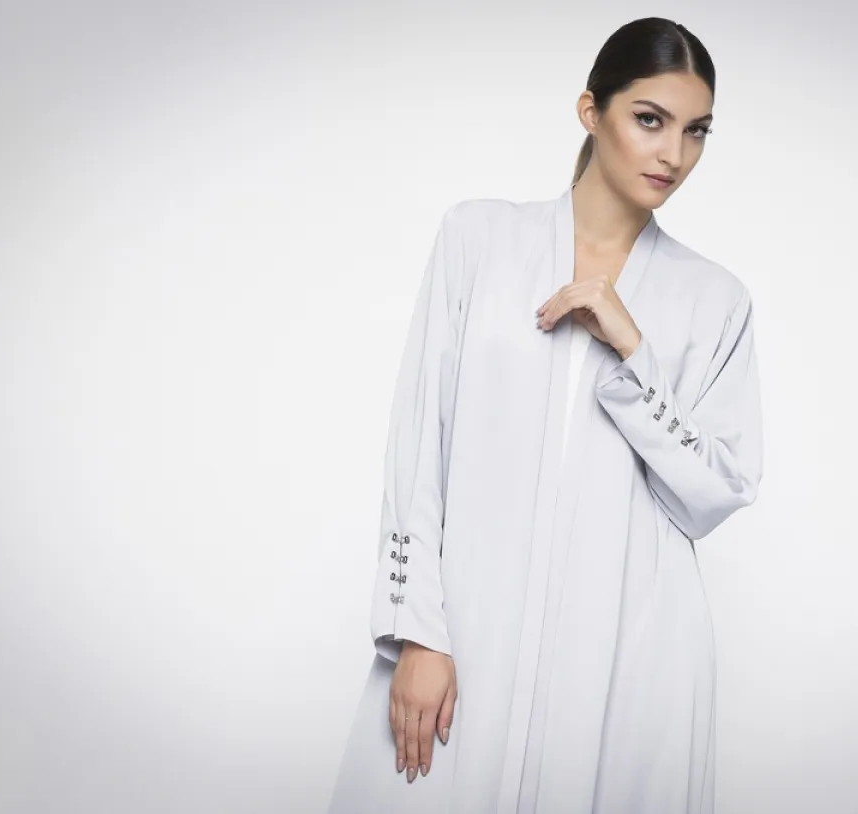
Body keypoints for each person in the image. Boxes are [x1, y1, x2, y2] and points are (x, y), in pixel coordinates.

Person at [327, 16, 763, 814]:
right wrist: (418, 632)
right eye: (650, 120)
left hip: (633, 659)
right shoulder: (479, 240)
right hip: (470, 635)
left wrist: (635, 354)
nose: (674, 154)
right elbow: (418, 445)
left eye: (696, 131)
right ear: (590, 110)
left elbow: (717, 491)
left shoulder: (715, 300)